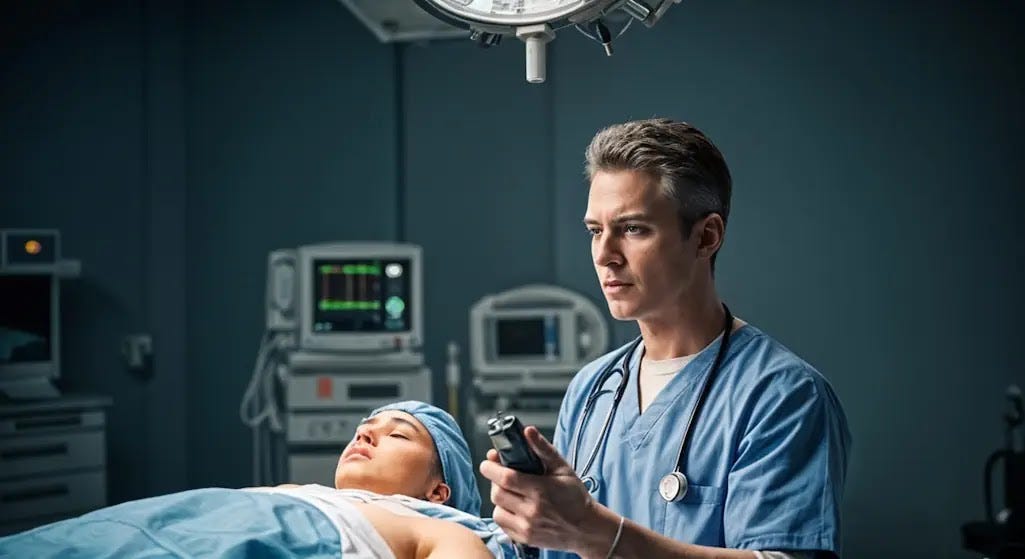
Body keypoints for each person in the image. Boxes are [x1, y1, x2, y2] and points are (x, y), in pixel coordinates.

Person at [480, 118, 851, 559]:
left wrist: (600, 534)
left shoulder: (781, 396)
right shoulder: (592, 390)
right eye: (595, 231)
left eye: (633, 229)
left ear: (706, 237)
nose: (604, 255)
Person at [1, 401, 506, 559]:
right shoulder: (301, 493)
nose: (365, 437)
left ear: (438, 490)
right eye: (362, 429)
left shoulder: (442, 525)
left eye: (396, 435)